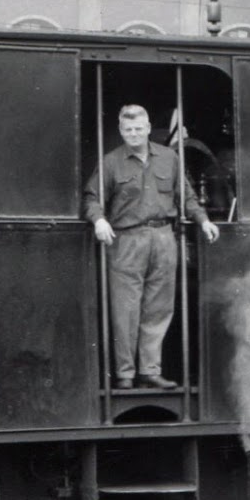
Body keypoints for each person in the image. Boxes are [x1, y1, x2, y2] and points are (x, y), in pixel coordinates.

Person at [84, 104, 219, 390]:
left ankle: (150, 370)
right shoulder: (110, 162)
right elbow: (92, 198)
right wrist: (99, 221)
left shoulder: (169, 158)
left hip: (163, 238)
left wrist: (203, 221)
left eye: (138, 129)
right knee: (125, 309)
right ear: (121, 131)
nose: (133, 134)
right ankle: (125, 374)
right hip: (126, 241)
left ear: (147, 129)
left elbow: (188, 197)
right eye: (128, 129)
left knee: (159, 307)